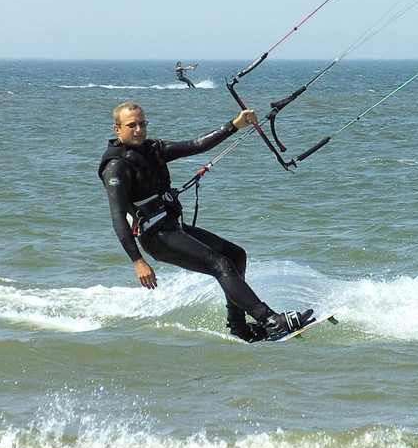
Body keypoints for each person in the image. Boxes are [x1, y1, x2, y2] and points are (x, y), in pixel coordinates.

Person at [99, 102, 314, 342]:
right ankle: (271, 320)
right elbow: (117, 218)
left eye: (142, 123)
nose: (139, 129)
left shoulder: (153, 150)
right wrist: (137, 261)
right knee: (220, 264)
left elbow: (196, 145)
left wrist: (234, 125)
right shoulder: (116, 167)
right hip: (155, 237)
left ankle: (240, 328)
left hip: (171, 227)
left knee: (236, 255)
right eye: (132, 125)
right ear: (117, 129)